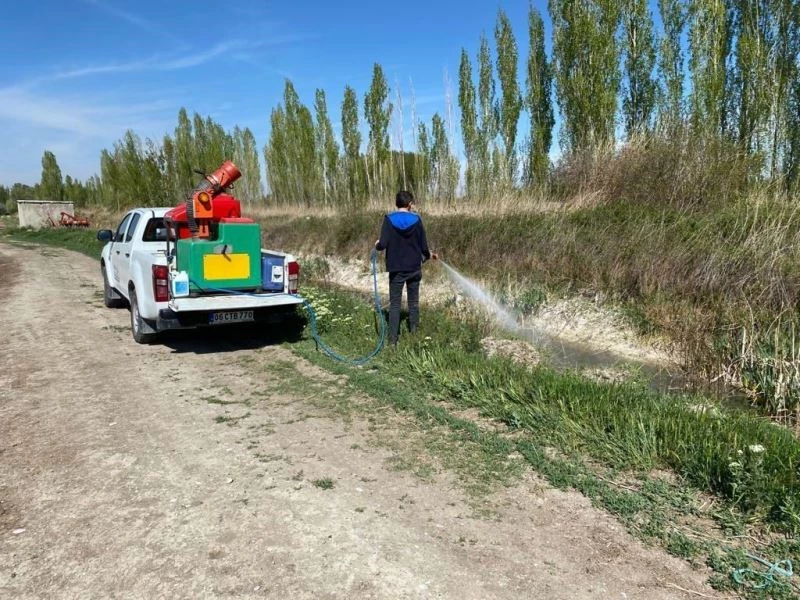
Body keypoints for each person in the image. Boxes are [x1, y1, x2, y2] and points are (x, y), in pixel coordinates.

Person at [374, 190, 438, 346]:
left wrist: (377, 244)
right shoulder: (417, 220)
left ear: (397, 203)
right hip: (414, 268)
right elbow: (423, 247)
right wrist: (429, 255)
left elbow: (382, 245)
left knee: (395, 305)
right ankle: (414, 336)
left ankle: (392, 342)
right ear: (409, 204)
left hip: (396, 270)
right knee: (413, 303)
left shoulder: (389, 219)